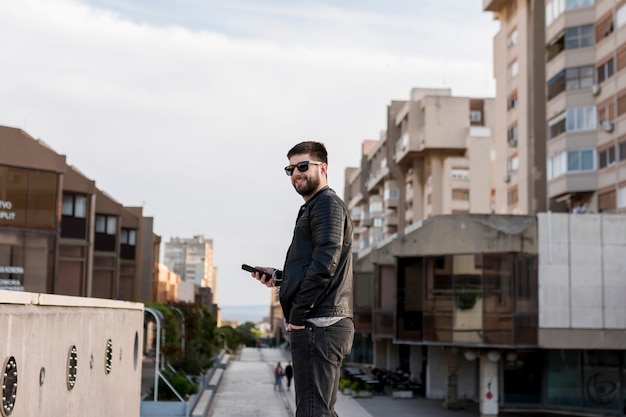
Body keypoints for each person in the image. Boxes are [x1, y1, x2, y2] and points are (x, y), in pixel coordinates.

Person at [250, 141, 355, 417]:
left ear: (324, 167)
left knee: (312, 413)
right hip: (320, 321)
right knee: (319, 411)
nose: (296, 173)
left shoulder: (326, 206)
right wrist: (281, 279)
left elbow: (324, 266)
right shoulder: (315, 207)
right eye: (291, 169)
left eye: (303, 166)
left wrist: (297, 316)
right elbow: (315, 265)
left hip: (319, 323)